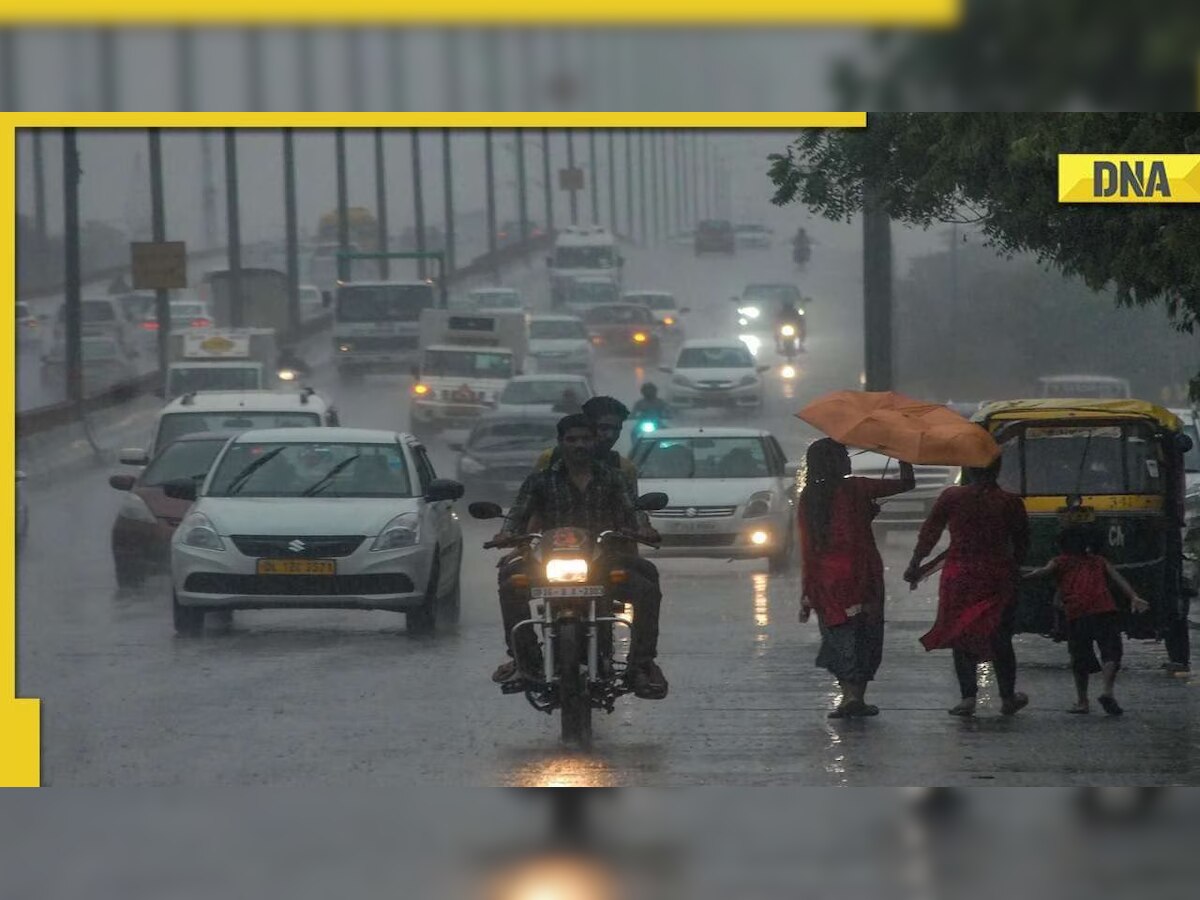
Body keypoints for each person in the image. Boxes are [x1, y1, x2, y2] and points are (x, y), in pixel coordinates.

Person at [491, 414, 668, 699]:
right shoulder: (540, 481)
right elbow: (518, 514)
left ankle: (642, 665)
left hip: (602, 560)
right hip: (548, 563)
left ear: (594, 441)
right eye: (572, 440)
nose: (579, 445)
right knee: (510, 579)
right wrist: (506, 534)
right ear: (560, 443)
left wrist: (643, 528)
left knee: (647, 579)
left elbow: (632, 509)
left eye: (585, 439)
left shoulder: (613, 478)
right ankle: (524, 660)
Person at [798, 438, 915, 718]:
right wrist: (902, 455)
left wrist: (806, 591)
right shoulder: (857, 488)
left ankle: (847, 695)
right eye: (844, 455)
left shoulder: (809, 497)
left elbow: (808, 546)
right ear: (837, 462)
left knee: (838, 634)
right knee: (865, 633)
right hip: (862, 574)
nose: (849, 460)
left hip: (826, 578)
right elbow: (906, 484)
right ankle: (856, 696)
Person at [905, 457, 1031, 717]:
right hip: (996, 576)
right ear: (998, 469)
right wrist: (1013, 570)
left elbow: (930, 533)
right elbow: (1022, 543)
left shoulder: (952, 496)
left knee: (960, 632)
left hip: (959, 576)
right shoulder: (1010, 502)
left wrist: (915, 564)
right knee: (1000, 636)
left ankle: (967, 698)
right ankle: (1007, 697)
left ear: (969, 470)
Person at [1023, 526, 1150, 715]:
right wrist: (1134, 597)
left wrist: (1022, 578)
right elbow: (1118, 579)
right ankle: (1107, 691)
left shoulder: (1059, 562)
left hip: (1078, 613)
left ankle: (1082, 701)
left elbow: (1042, 572)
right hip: (1104, 609)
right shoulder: (1098, 561)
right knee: (1111, 652)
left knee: (1079, 658)